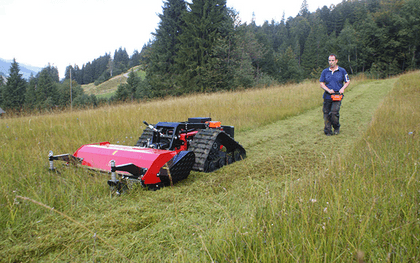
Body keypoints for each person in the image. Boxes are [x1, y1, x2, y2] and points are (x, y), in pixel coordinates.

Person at [319, 54, 350, 136]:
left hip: (337, 95)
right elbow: (321, 83)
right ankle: (328, 130)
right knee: (326, 113)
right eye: (329, 60)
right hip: (327, 95)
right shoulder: (325, 71)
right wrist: (328, 90)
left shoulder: (342, 71)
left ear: (336, 61)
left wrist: (343, 88)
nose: (331, 62)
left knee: (334, 112)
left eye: (332, 60)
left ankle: (336, 127)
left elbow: (347, 81)